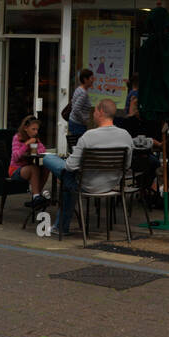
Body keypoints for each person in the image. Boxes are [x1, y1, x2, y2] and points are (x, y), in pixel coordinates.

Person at [41, 97, 133, 238]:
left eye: (95, 110)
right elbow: (127, 165)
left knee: (49, 159)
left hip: (86, 185)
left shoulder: (89, 136)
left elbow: (70, 166)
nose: (93, 113)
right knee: (67, 180)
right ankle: (60, 227)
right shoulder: (126, 135)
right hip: (111, 185)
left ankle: (60, 227)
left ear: (101, 112)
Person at [10, 115, 51, 211]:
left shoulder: (35, 138)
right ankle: (36, 196)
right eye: (33, 129)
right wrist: (26, 144)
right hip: (15, 169)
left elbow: (43, 149)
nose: (36, 132)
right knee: (34, 168)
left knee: (47, 167)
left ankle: (36, 197)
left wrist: (36, 149)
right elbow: (15, 157)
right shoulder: (17, 138)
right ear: (25, 128)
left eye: (37, 129)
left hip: (29, 168)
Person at [67, 68, 95, 138]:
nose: (93, 80)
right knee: (78, 146)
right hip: (78, 125)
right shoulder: (83, 93)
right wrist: (84, 120)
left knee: (74, 145)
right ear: (85, 79)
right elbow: (76, 109)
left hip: (74, 122)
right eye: (91, 78)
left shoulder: (78, 89)